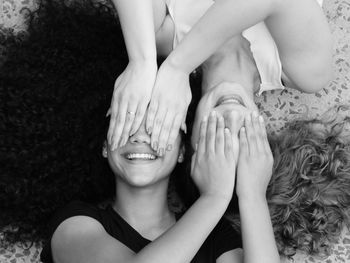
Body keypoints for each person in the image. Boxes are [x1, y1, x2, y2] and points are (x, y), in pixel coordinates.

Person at [39, 108, 281, 263]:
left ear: (181, 151)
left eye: (158, 126)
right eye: (127, 122)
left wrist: (252, 195)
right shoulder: (72, 223)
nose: (140, 136)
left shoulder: (216, 235)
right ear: (105, 146)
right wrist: (215, 197)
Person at [108, 0, 333, 158]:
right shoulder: (307, 73)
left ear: (187, 129)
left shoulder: (158, 37)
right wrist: (177, 67)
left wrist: (141, 62)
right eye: (244, 140)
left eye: (216, 138)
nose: (232, 117)